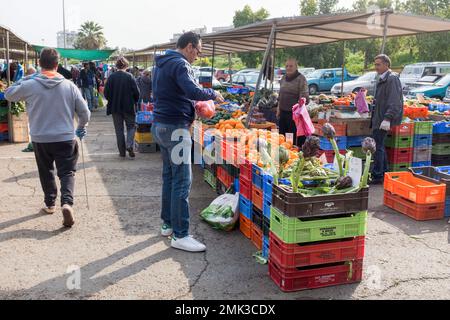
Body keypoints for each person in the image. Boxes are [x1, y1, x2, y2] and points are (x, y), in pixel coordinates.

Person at [152, 31, 224, 253]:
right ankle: (181, 235)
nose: (198, 56)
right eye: (198, 51)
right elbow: (192, 90)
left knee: (170, 177)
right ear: (190, 46)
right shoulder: (180, 64)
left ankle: (168, 224)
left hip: (161, 126)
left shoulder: (161, 63)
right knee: (182, 180)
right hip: (176, 129)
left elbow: (175, 93)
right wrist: (213, 94)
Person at [4, 48, 90, 227]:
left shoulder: (30, 84)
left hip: (40, 138)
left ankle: (50, 204)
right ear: (57, 65)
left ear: (39, 64)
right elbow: (85, 113)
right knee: (67, 172)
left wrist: (27, 77)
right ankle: (67, 203)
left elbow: (9, 94)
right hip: (65, 137)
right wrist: (81, 127)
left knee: (46, 171)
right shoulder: (69, 86)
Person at [371, 54, 404, 184]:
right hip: (379, 117)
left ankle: (378, 175)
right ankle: (382, 172)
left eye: (378, 64)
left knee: (378, 146)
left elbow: (395, 101)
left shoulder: (392, 79)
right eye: (375, 64)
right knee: (379, 145)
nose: (376, 67)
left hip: (383, 118)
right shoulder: (383, 78)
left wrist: (387, 118)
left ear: (386, 65)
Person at [104, 57, 140, 158]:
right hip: (128, 107)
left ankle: (122, 152)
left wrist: (112, 100)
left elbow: (106, 93)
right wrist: (135, 101)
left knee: (119, 130)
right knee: (131, 126)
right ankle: (129, 145)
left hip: (115, 107)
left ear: (116, 66)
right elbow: (137, 93)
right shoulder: (130, 76)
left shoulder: (111, 77)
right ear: (126, 66)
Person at [277, 58, 310, 147]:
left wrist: (298, 112)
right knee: (283, 136)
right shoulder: (283, 78)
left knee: (293, 138)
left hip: (294, 114)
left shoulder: (301, 78)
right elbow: (280, 94)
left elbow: (304, 97)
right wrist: (278, 109)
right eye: (287, 66)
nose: (288, 68)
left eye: (291, 66)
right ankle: (284, 153)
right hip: (283, 112)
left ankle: (293, 154)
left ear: (296, 67)